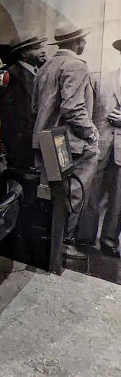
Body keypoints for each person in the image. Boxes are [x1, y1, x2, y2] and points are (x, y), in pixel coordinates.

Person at [32, 23, 98, 260]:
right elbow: (73, 108)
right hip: (69, 144)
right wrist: (91, 132)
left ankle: (50, 244)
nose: (85, 43)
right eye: (83, 39)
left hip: (45, 141)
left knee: (51, 193)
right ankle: (63, 243)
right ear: (76, 42)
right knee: (73, 193)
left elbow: (34, 108)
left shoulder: (45, 67)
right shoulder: (76, 66)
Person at [76, 39, 121, 257]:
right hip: (99, 144)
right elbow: (85, 111)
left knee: (119, 198)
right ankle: (84, 238)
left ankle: (109, 242)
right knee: (91, 191)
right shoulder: (101, 79)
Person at [0, 33, 47, 169]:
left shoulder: (36, 73)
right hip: (21, 147)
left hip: (31, 144)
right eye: (37, 48)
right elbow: (9, 116)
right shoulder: (12, 75)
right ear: (24, 54)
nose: (43, 51)